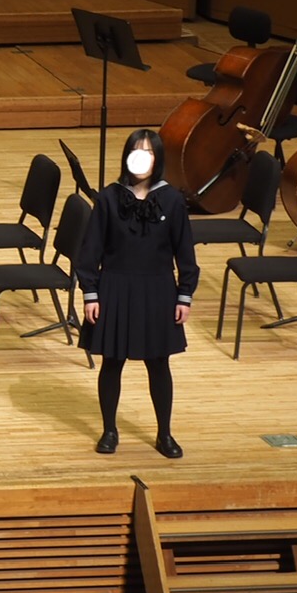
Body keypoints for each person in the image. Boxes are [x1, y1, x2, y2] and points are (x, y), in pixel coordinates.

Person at [75, 127, 196, 458]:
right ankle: (109, 430)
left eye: (148, 152)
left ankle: (164, 434)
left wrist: (184, 295)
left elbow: (185, 253)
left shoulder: (172, 200)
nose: (141, 158)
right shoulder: (108, 198)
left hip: (158, 290)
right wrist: (91, 293)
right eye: (135, 151)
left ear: (158, 160)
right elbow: (90, 252)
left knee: (159, 365)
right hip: (114, 288)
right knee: (112, 363)